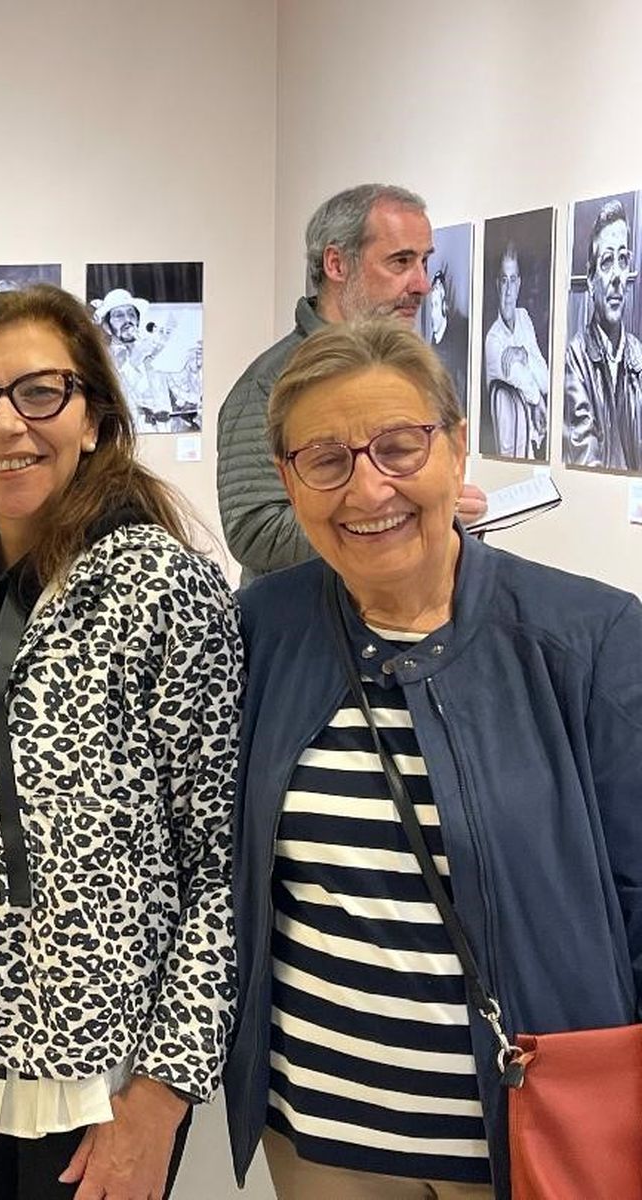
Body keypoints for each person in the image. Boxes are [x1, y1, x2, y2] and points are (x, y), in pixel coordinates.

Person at [225, 320, 642, 1199]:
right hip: (320, 1140)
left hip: (527, 1138)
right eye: (325, 459)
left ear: (455, 448)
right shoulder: (264, 629)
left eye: (399, 446)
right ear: (289, 483)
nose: (367, 487)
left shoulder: (589, 637)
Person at [0, 284, 243, 1199]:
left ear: (94, 416)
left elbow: (222, 868)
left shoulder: (162, 588)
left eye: (40, 392)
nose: (6, 425)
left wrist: (162, 1094)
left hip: (98, 1060)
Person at [216, 183, 486, 581]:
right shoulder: (270, 384)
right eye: (400, 262)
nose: (422, 284)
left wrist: (438, 507)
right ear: (337, 264)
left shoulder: (415, 374)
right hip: (310, 615)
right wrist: (395, 518)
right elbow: (254, 531)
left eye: (424, 262)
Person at [564, 199, 642, 470]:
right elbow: (585, 458)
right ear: (590, 279)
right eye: (607, 261)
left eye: (623, 260)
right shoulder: (575, 358)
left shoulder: (638, 356)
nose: (618, 276)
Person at [482, 243, 549, 459]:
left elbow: (545, 379)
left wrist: (523, 354)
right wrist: (538, 402)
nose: (509, 290)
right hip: (510, 454)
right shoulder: (493, 340)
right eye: (504, 280)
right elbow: (518, 376)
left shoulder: (524, 318)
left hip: (532, 443)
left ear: (519, 284)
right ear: (497, 285)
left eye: (513, 280)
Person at [425, 264, 469, 410]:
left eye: (436, 304)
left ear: (445, 307)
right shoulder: (430, 346)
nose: (433, 312)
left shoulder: (455, 346)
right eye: (432, 305)